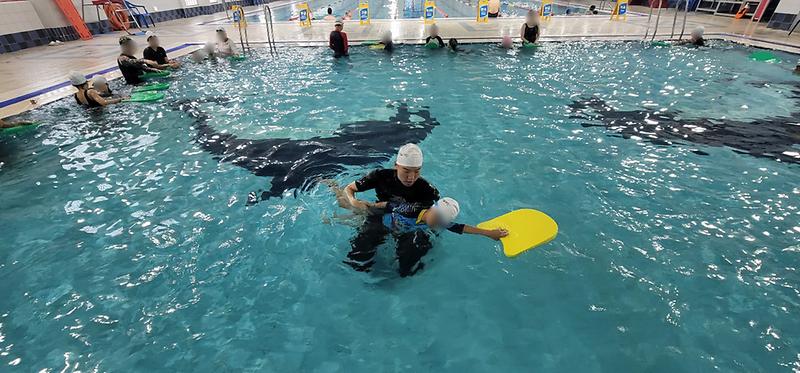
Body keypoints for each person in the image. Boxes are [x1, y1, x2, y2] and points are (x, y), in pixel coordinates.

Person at [341, 144, 439, 276]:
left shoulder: (427, 189)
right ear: (396, 165)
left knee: (409, 264)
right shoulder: (380, 176)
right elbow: (349, 189)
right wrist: (354, 202)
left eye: (417, 171)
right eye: (406, 170)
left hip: (411, 222)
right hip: (382, 214)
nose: (411, 177)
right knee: (360, 254)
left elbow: (434, 218)